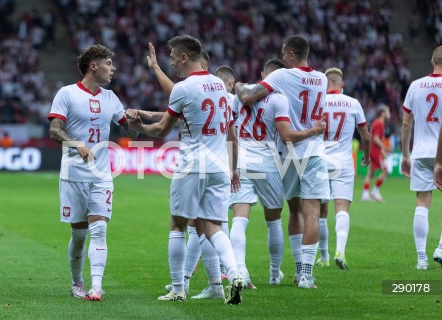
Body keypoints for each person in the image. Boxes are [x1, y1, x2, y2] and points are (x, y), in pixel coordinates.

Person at [126, 35, 244, 304]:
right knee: (213, 226)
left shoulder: (183, 87)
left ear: (183, 57)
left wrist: (139, 128)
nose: (171, 65)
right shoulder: (222, 89)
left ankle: (178, 288)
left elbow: (162, 129)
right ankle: (234, 274)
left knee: (178, 225)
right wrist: (233, 168)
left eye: (172, 59)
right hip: (219, 167)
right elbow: (229, 133)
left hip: (192, 164)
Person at [235, 35, 329, 289]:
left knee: (295, 211)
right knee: (313, 212)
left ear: (289, 54)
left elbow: (247, 97)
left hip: (286, 154)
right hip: (313, 151)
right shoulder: (322, 79)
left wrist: (239, 85)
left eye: (283, 53)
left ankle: (298, 269)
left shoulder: (281, 77)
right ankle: (305, 274)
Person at [48, 44, 137, 302]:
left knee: (99, 229)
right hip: (74, 174)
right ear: (93, 66)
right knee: (78, 235)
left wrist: (135, 122)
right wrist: (77, 144)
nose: (114, 68)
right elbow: (55, 130)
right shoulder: (67, 94)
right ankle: (77, 282)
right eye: (109, 63)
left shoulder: (111, 98)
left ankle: (96, 287)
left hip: (101, 175)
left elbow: (129, 132)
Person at [315, 67, 371, 269]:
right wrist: (366, 153)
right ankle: (341, 251)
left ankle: (324, 257)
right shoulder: (352, 103)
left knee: (321, 210)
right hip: (344, 161)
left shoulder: (317, 102)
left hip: (320, 160)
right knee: (342, 208)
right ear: (342, 84)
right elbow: (365, 134)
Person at [401, 45, 442, 269]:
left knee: (422, 202)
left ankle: (421, 258)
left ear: (431, 60)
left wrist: (406, 155)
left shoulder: (415, 86)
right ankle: (441, 247)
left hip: (421, 152)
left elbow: (406, 125)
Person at [362, 105, 391, 202]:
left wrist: (382, 151)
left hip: (372, 150)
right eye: (388, 112)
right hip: (375, 151)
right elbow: (375, 139)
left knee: (370, 173)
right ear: (382, 113)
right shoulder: (379, 123)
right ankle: (375, 191)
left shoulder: (376, 123)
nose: (389, 115)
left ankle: (365, 195)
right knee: (386, 170)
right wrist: (385, 148)